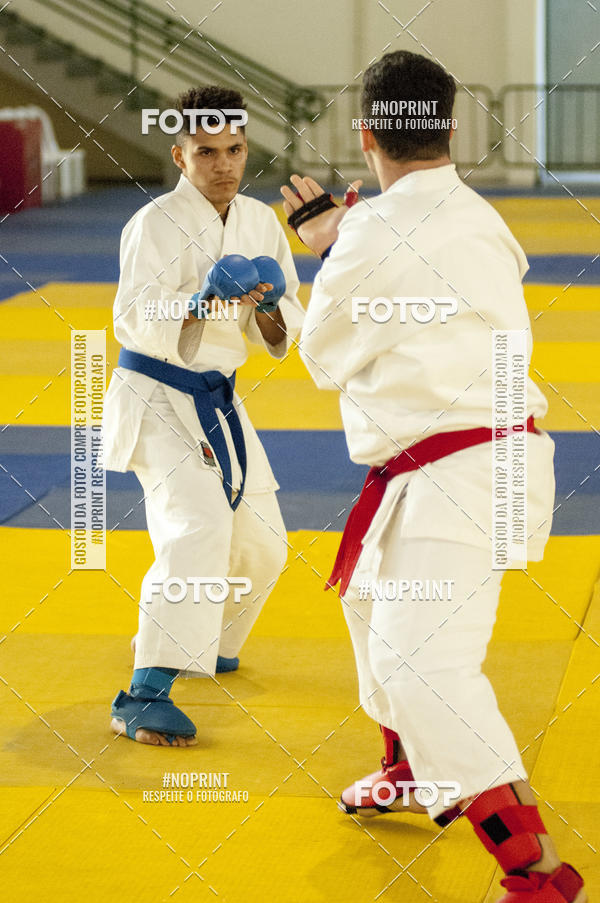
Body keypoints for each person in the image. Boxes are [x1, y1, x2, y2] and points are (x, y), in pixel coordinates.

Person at [281, 51, 585, 903]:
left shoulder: (372, 231)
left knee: (421, 661)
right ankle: (411, 767)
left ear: (367, 132)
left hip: (457, 468)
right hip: (475, 460)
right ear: (450, 127)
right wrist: (350, 239)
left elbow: (324, 356)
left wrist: (329, 245)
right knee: (368, 604)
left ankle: (535, 868)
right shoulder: (483, 216)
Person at [103, 85, 304, 747]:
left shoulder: (258, 221)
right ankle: (143, 690)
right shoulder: (154, 222)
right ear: (180, 153)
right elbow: (131, 318)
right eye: (208, 151)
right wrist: (197, 299)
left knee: (265, 544)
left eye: (236, 149)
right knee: (198, 527)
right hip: (157, 395)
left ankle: (203, 640)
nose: (225, 164)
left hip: (218, 396)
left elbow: (280, 326)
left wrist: (270, 302)